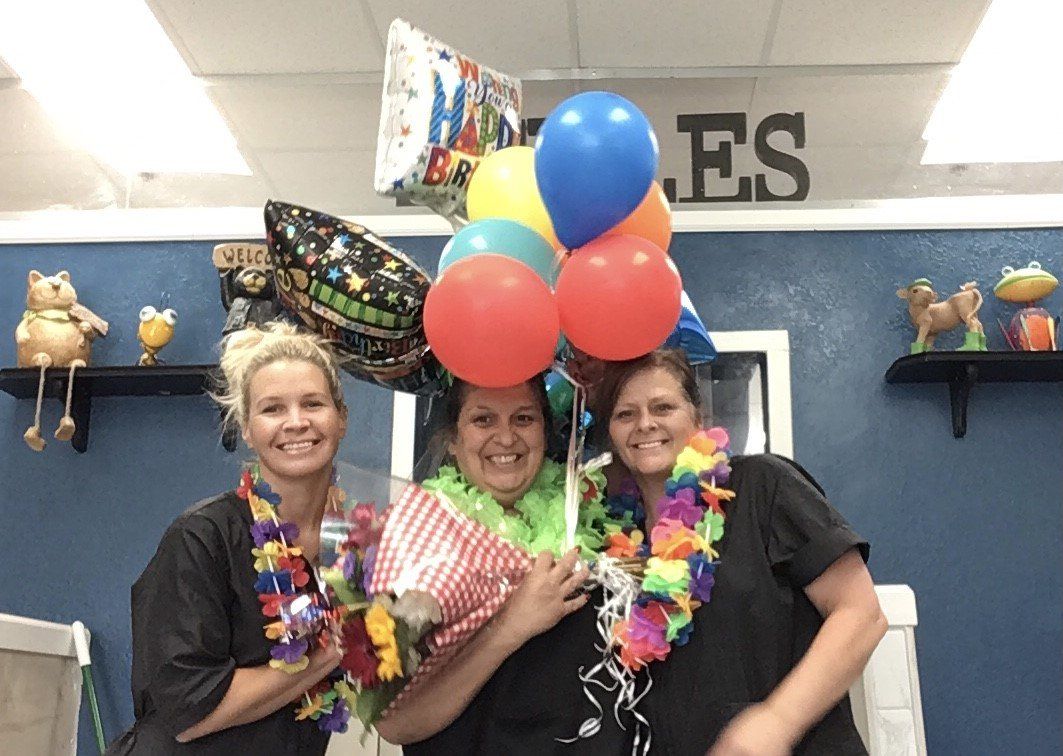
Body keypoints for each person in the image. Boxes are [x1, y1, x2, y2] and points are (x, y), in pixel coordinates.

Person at [593, 348, 888, 756]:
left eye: (663, 407)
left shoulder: (760, 486)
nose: (645, 424)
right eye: (625, 414)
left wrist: (778, 721)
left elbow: (862, 614)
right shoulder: (611, 541)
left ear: (697, 418)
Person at [107, 323, 347, 754]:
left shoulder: (353, 546)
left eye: (313, 403)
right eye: (273, 409)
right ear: (247, 429)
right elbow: (189, 713)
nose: (297, 422)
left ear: (340, 418)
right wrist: (328, 653)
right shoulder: (203, 537)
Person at [376, 377, 633, 754]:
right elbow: (395, 723)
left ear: (545, 432)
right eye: (483, 420)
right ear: (452, 439)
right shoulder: (417, 540)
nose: (507, 437)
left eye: (524, 418)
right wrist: (511, 625)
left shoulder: (589, 519)